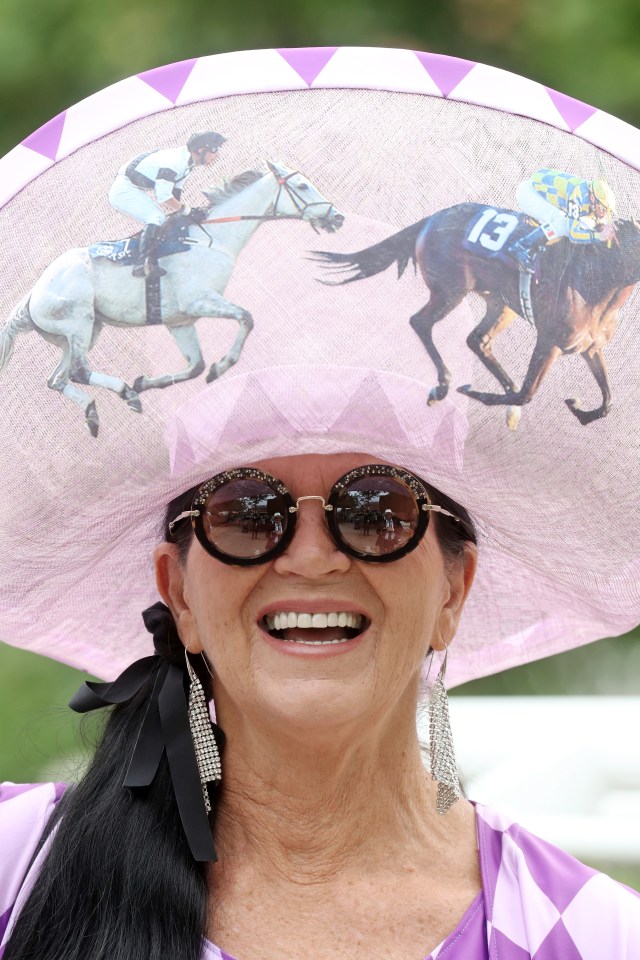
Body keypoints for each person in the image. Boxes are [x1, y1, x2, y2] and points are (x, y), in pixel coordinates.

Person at [1, 46, 640, 960]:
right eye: (245, 512)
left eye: (378, 511)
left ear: (454, 588)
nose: (309, 554)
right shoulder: (18, 874)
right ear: (176, 592)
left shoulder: (594, 939)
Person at [108, 130, 226, 277]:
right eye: (214, 150)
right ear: (201, 150)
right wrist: (188, 211)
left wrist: (186, 213)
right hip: (123, 190)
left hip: (132, 187)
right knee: (156, 217)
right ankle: (142, 263)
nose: (216, 155)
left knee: (163, 218)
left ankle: (151, 257)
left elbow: (175, 195)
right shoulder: (175, 162)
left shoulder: (187, 164)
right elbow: (164, 198)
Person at [508, 168, 618, 272]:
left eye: (607, 210)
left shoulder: (592, 197)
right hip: (529, 193)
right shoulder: (578, 195)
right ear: (593, 198)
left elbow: (597, 225)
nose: (604, 213)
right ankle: (520, 247)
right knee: (563, 223)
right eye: (603, 208)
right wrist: (599, 236)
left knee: (580, 225)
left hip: (541, 194)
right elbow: (573, 234)